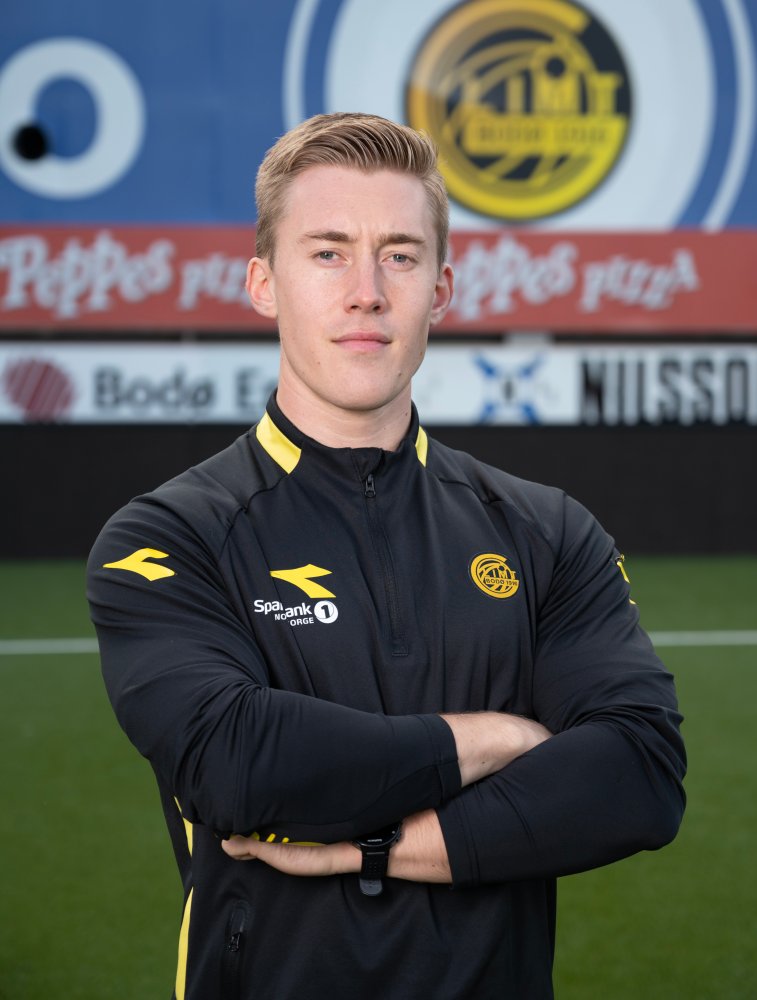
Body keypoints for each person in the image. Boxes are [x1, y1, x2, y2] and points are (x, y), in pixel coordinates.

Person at [87, 112, 686, 1000]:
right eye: (328, 253)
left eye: (399, 256)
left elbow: (640, 775)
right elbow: (236, 763)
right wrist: (498, 739)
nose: (366, 291)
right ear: (264, 283)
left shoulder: (547, 530)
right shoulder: (168, 535)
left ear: (440, 290)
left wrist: (374, 847)